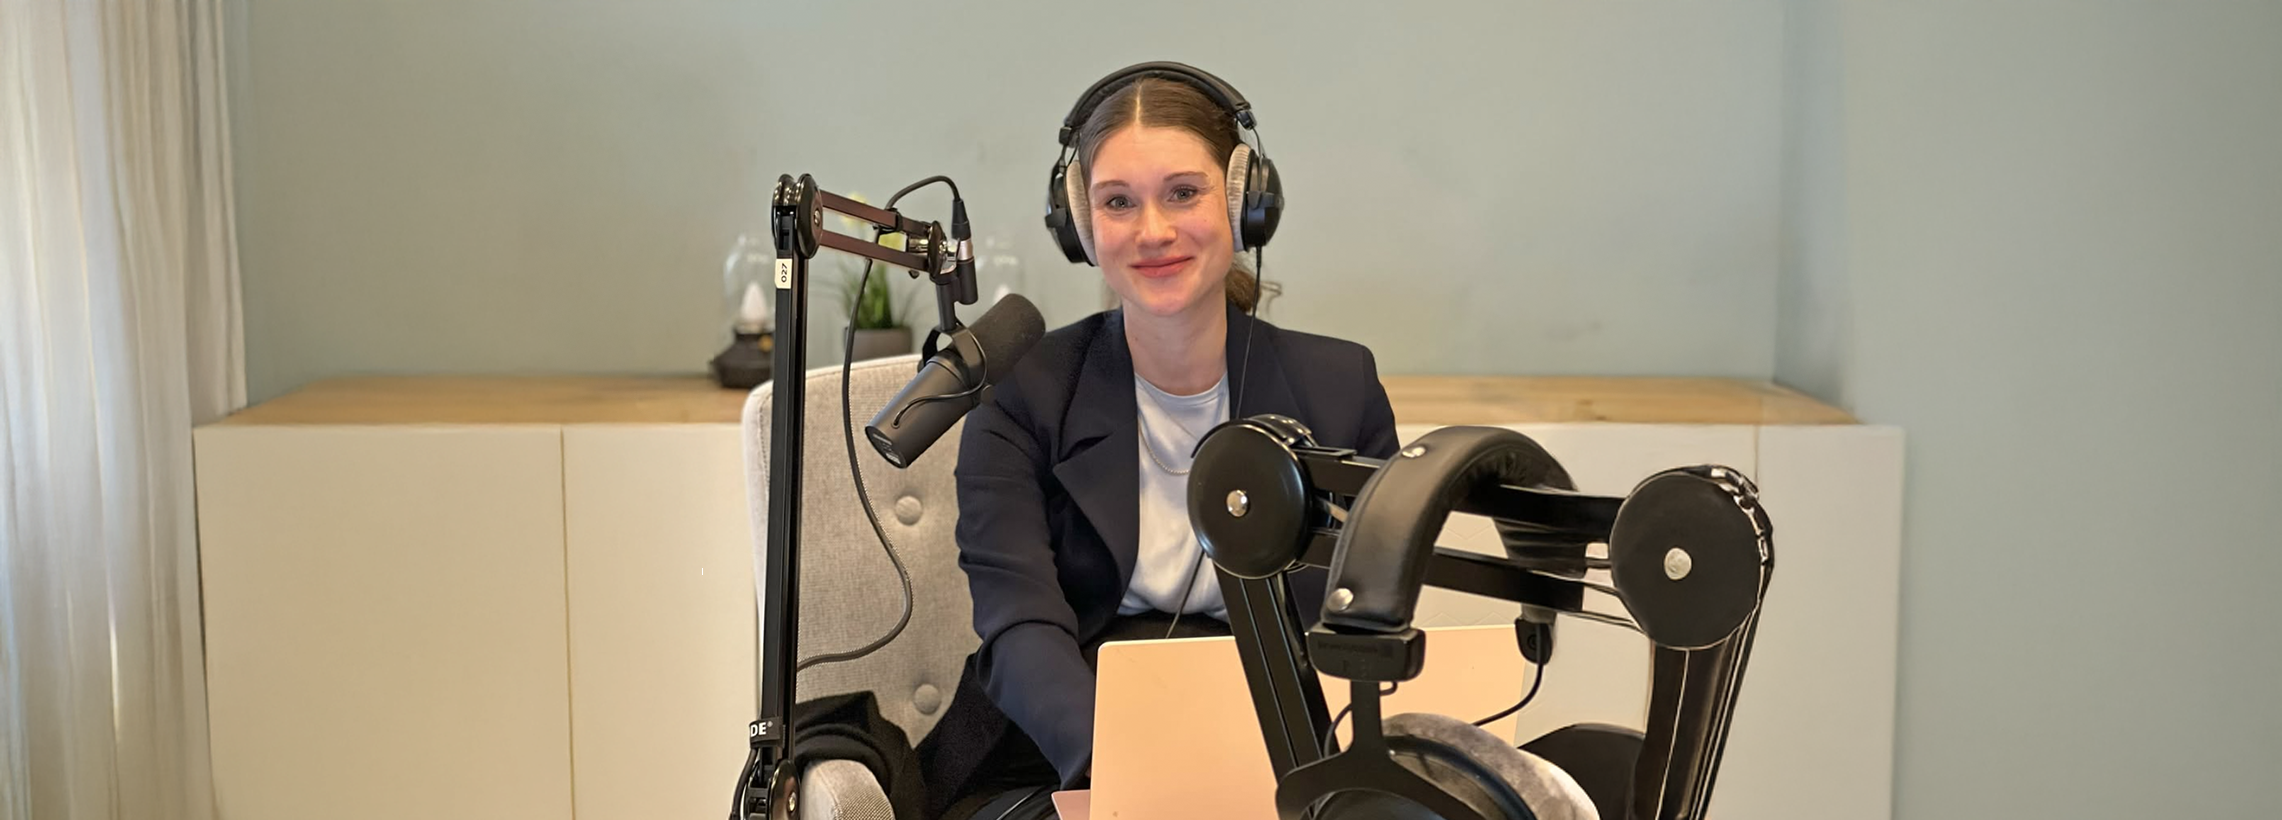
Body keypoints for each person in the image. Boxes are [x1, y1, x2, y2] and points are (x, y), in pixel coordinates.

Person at [915, 63, 1401, 820]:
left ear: (1244, 205)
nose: (1152, 231)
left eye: (1183, 192)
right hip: (1064, 755)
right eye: (1118, 202)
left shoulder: (1341, 388)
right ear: (1081, 224)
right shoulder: (1023, 391)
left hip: (1281, 749)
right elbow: (1019, 625)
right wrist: (1133, 779)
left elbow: (1362, 621)